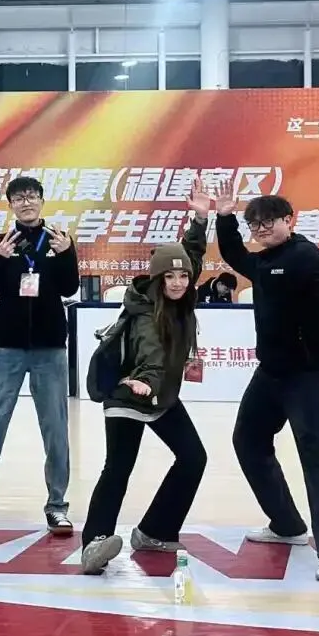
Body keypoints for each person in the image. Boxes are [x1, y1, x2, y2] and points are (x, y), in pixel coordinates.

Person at [216, 192, 319, 582]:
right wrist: (224, 218)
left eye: (268, 222)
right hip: (272, 371)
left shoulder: (305, 255)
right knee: (248, 440)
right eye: (254, 224)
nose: (261, 230)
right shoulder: (263, 262)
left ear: (288, 220)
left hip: (311, 372)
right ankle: (287, 524)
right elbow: (234, 253)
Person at [81, 186, 212, 574]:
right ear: (157, 279)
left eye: (183, 276)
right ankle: (94, 544)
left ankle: (155, 530)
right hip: (130, 395)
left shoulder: (180, 294)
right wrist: (147, 382)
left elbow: (192, 254)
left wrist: (200, 219)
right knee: (118, 468)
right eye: (170, 276)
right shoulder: (147, 315)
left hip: (159, 397)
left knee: (193, 457)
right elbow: (151, 355)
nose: (178, 282)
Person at [0, 176, 80, 535]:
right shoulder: (1, 242)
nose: (26, 202)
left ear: (42, 201)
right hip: (8, 347)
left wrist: (67, 255)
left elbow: (70, 287)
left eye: (31, 196)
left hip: (50, 347)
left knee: (56, 427)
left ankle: (57, 505)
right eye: (19, 198)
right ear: (11, 205)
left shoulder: (59, 240)